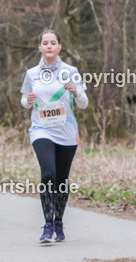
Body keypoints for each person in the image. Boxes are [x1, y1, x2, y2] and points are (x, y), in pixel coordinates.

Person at [20, 29, 88, 243]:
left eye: (53, 42)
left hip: (67, 131)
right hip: (41, 129)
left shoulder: (71, 71)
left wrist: (76, 92)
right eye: (45, 43)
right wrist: (28, 101)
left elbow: (84, 103)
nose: (49, 46)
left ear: (59, 47)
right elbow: (24, 101)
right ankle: (48, 224)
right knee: (48, 173)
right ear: (40, 47)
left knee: (61, 180)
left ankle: (59, 220)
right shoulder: (31, 73)